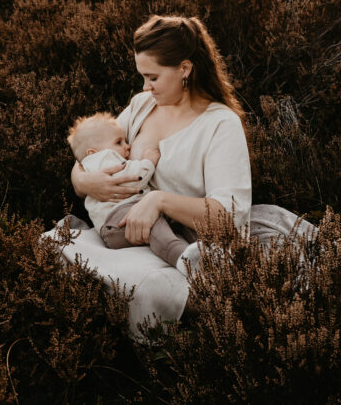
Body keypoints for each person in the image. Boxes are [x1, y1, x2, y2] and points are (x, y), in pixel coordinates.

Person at [71, 15, 252, 270]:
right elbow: (91, 151)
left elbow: (226, 217)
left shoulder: (220, 125)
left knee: (144, 285)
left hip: (186, 247)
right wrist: (82, 181)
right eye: (143, 77)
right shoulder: (141, 106)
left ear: (185, 69)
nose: (146, 87)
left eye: (153, 78)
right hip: (125, 237)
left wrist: (158, 201)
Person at [66, 112, 199, 274]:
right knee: (152, 224)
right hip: (118, 218)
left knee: (174, 221)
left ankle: (200, 250)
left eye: (125, 141)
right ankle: (182, 259)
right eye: (118, 142)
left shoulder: (96, 160)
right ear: (92, 153)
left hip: (120, 220)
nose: (127, 146)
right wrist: (148, 161)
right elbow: (133, 177)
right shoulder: (100, 160)